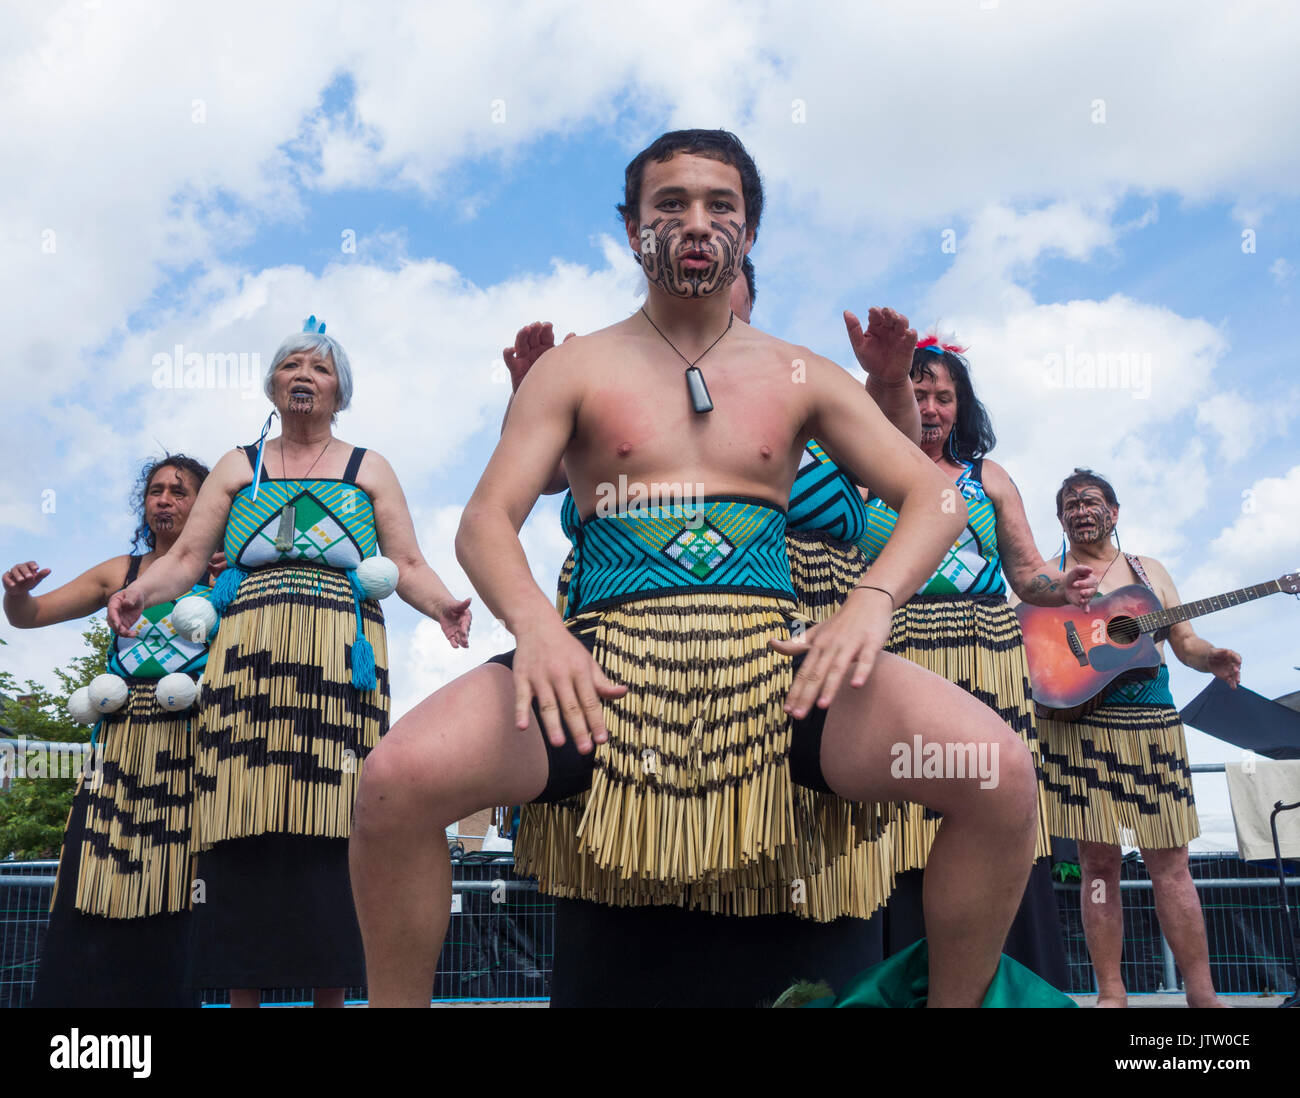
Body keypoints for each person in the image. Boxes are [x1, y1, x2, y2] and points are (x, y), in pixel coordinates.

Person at [352, 129, 1043, 1008]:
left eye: (721, 206)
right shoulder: (575, 367)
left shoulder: (802, 373)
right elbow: (487, 520)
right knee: (394, 783)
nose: (695, 222)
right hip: (599, 670)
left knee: (1000, 777)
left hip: (773, 669)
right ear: (632, 229)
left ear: (748, 231)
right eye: (669, 204)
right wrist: (539, 630)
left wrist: (870, 603)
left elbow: (936, 498)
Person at [496, 259, 921, 1004]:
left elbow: (906, 467)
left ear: (748, 299)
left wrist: (888, 384)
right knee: (622, 842)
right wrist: (528, 394)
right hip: (623, 620)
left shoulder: (798, 388)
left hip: (799, 620)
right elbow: (538, 484)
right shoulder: (608, 382)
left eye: (729, 289)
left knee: (803, 832)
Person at [107, 318, 472, 1008]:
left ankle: (331, 1002)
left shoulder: (370, 467)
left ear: (341, 391)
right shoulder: (239, 467)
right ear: (272, 384)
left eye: (321, 368)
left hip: (341, 659)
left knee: (336, 817)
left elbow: (409, 563)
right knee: (247, 817)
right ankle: (244, 1002)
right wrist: (139, 591)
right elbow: (186, 559)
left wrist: (444, 606)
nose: (304, 375)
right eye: (291, 365)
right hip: (248, 660)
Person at [854, 338, 1096, 985]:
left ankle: (1001, 977)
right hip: (895, 651)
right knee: (901, 812)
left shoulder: (989, 478)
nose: (929, 408)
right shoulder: (865, 475)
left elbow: (1028, 574)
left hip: (986, 653)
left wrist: (1063, 588)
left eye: (942, 396)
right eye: (917, 393)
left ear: (962, 408)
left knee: (994, 793)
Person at [6, 454, 218, 1007]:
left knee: (178, 884)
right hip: (118, 751)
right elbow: (29, 617)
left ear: (205, 506)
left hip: (188, 752)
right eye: (155, 490)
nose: (165, 499)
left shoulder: (225, 574)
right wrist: (16, 593)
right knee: (90, 873)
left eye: (179, 490)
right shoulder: (118, 573)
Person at [1036, 468, 1238, 1008]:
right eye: (1070, 504)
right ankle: (1111, 993)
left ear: (1115, 512)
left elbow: (1187, 641)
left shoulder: (1150, 573)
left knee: (1171, 864)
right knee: (1098, 864)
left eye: (1092, 500)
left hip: (1152, 724)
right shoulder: (1048, 575)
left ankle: (1201, 992)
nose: (1081, 509)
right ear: (1060, 519)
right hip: (1079, 727)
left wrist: (1209, 659)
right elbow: (1032, 642)